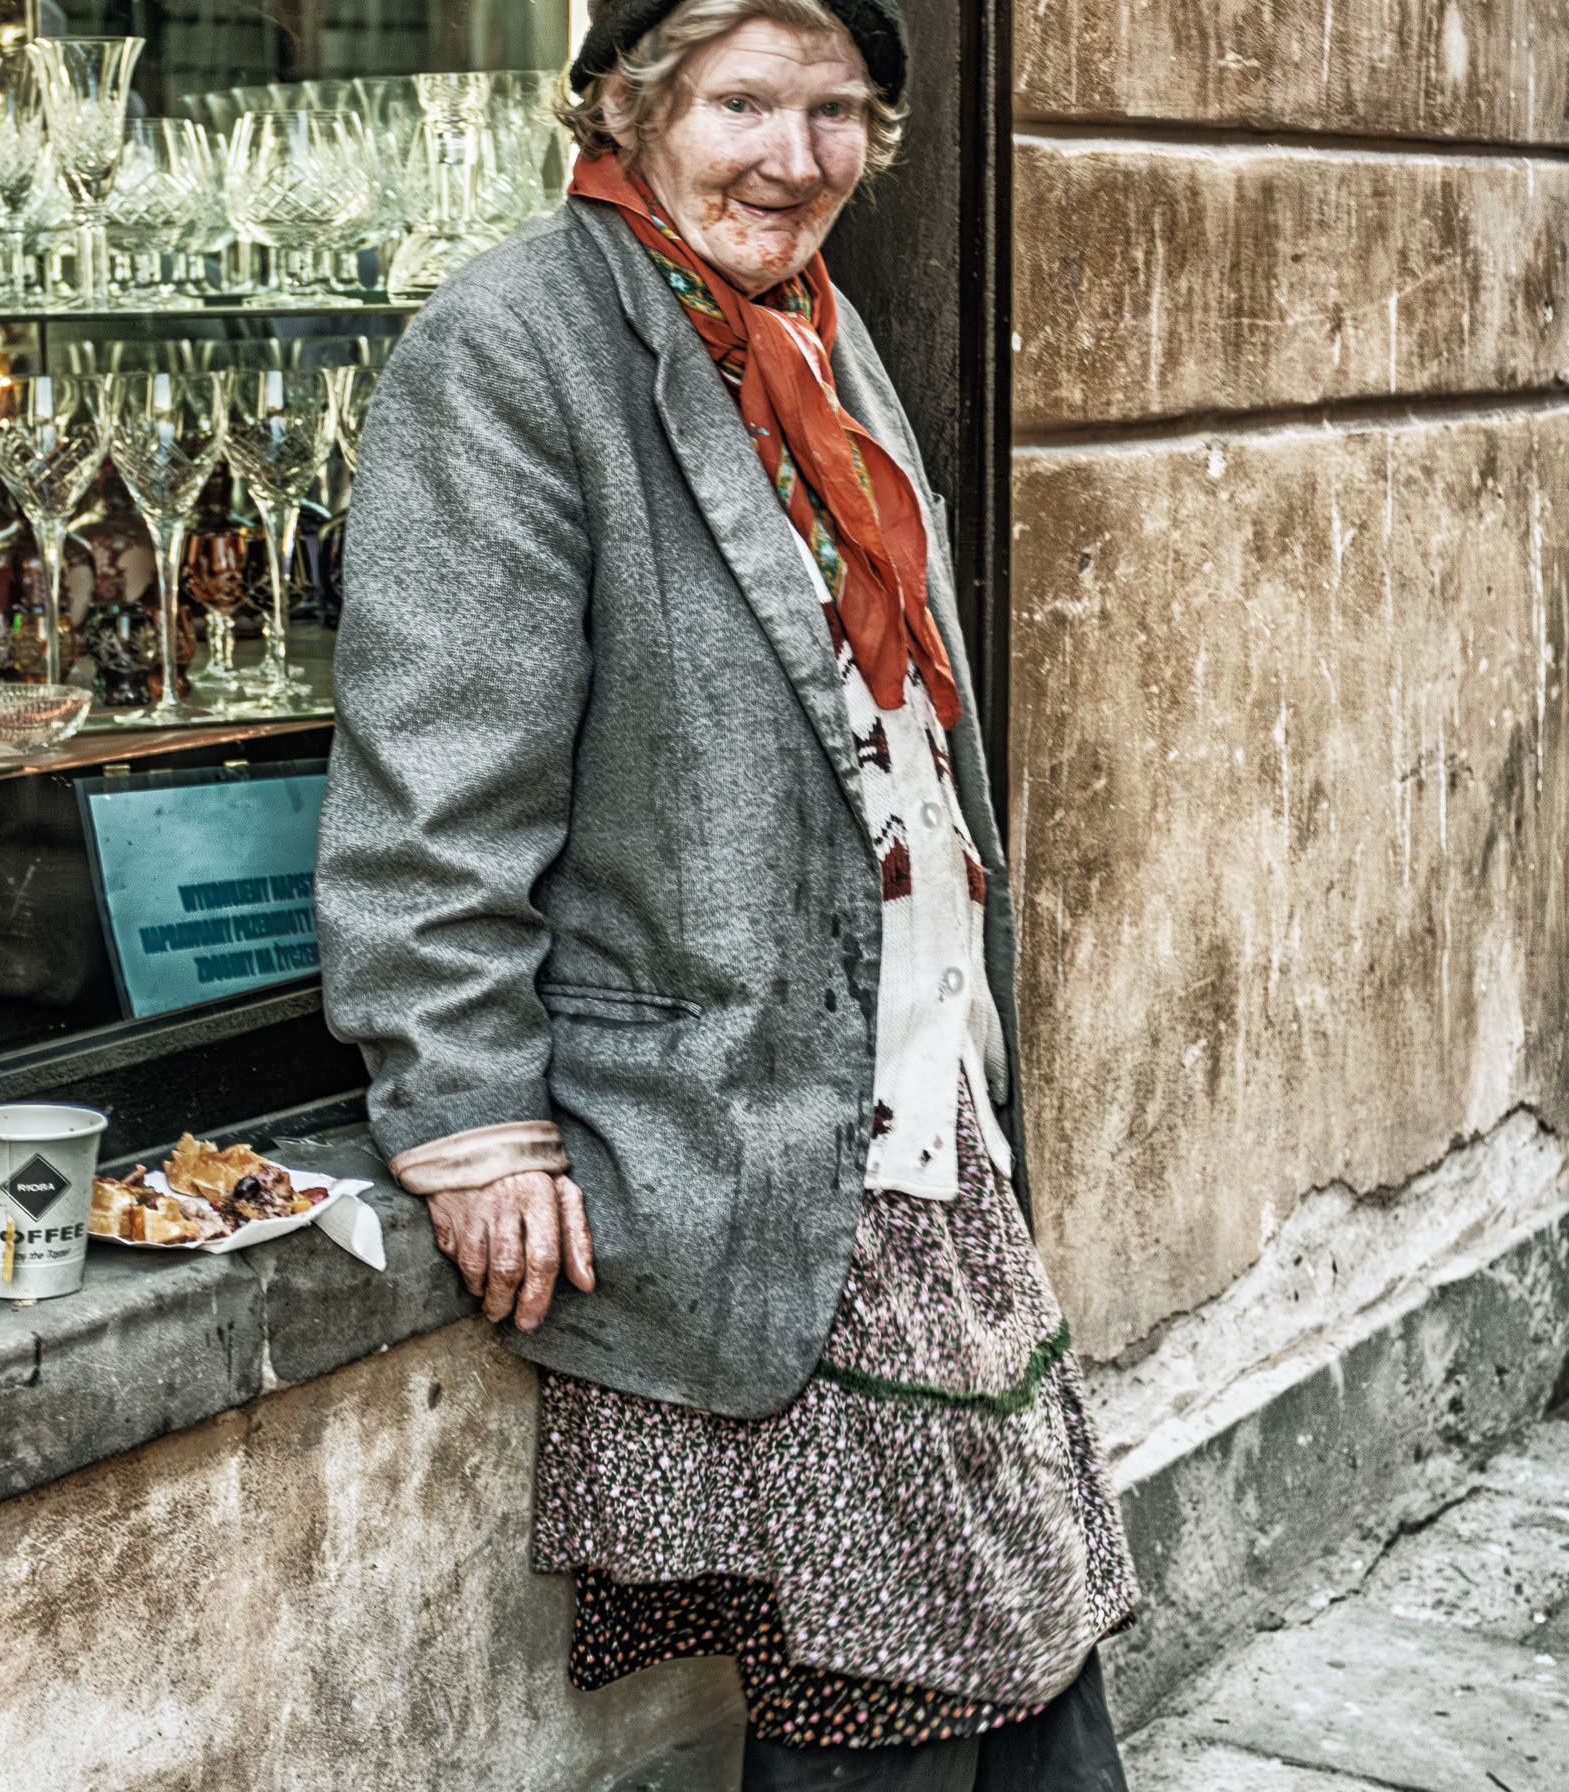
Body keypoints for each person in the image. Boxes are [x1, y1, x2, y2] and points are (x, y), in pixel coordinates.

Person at [316, 1, 1138, 1784]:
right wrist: (469, 1119)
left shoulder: (812, 330)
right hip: (731, 1129)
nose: (797, 155)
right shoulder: (521, 343)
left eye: (838, 110)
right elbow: (436, 777)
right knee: (909, 1680)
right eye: (744, 102)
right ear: (631, 105)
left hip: (915, 1112)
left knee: (1017, 1648)